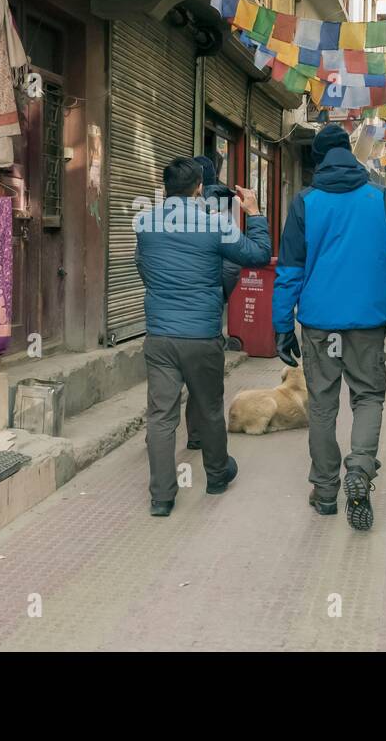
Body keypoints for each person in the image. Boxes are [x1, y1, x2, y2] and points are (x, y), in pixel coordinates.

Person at [273, 125, 386, 531]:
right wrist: (380, 286)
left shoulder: (304, 203)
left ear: (318, 160)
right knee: (368, 396)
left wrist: (282, 326)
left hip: (319, 324)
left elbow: (289, 271)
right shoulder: (381, 199)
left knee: (321, 403)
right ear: (351, 156)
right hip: (367, 323)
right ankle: (360, 468)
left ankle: (324, 492)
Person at [135, 157, 270, 517]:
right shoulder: (215, 224)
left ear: (166, 188)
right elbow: (257, 256)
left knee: (161, 416)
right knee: (209, 407)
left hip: (160, 335)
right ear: (198, 189)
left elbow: (143, 269)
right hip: (201, 335)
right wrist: (255, 214)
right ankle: (216, 475)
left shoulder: (145, 223)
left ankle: (161, 497)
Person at [185, 153, 242, 451]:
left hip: (173, 303)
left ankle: (158, 435)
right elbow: (232, 262)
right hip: (207, 305)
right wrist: (218, 293)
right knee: (203, 375)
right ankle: (197, 436)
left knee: (166, 380)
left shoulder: (172, 206)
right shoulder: (225, 204)